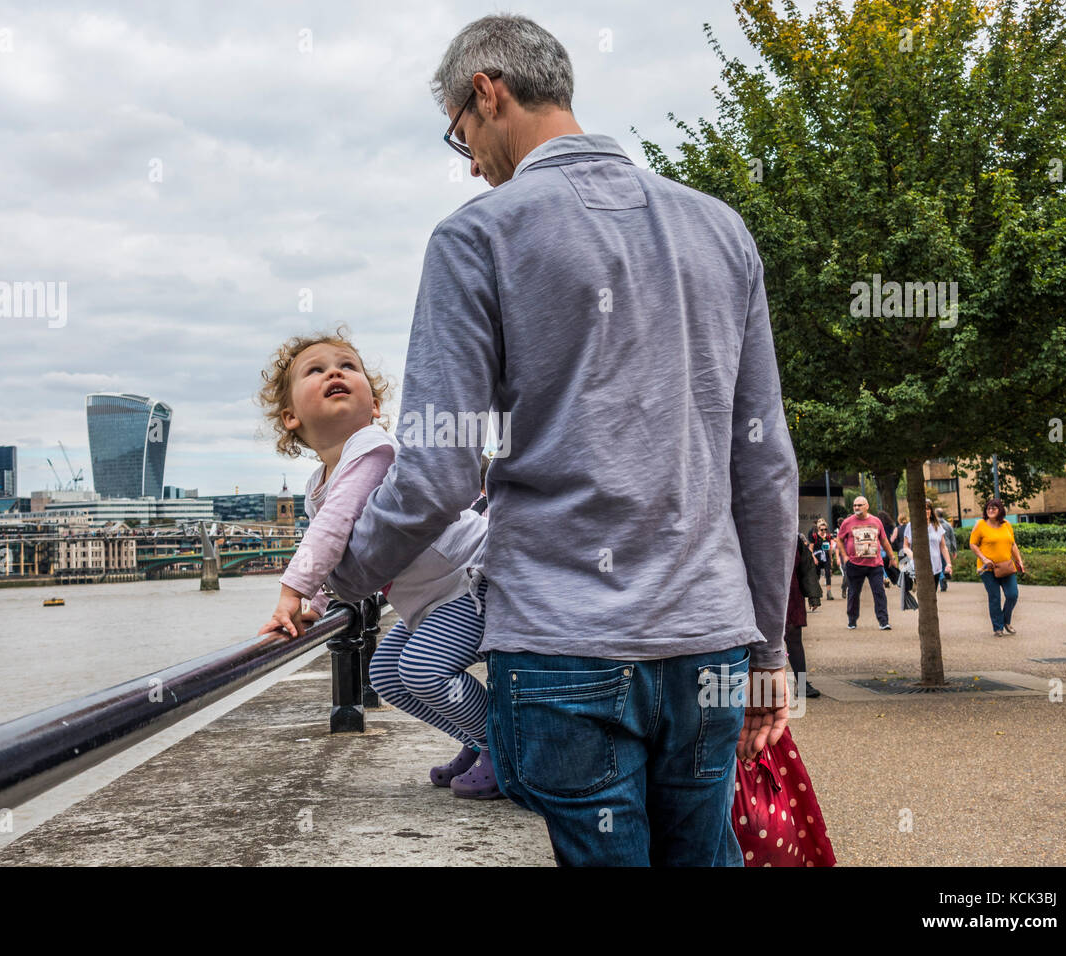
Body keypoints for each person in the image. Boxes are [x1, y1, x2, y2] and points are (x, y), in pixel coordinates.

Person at [326, 13, 798, 867]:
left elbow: (436, 472)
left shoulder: (478, 236)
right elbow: (763, 465)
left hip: (561, 639)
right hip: (707, 639)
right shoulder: (721, 230)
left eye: (460, 133)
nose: (469, 160)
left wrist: (339, 575)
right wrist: (766, 650)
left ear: (487, 92)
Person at [255, 330, 497, 798]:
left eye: (348, 366)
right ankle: (474, 735)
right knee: (386, 672)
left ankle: (502, 746)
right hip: (431, 597)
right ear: (290, 417)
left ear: (375, 407)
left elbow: (333, 527)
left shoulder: (371, 447)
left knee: (425, 669)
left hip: (469, 581)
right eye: (316, 369)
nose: (334, 372)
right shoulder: (316, 484)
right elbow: (337, 551)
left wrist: (293, 593)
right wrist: (317, 602)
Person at [836, 496, 898, 630]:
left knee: (879, 592)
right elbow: (839, 540)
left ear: (867, 506)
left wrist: (892, 557)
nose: (856, 508)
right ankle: (852, 620)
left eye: (859, 505)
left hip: (875, 565)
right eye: (854, 505)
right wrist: (845, 556)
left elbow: (884, 541)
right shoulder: (847, 522)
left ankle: (883, 621)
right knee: (853, 593)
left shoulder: (876, 521)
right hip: (855, 564)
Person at [969, 497, 1025, 636]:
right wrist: (984, 558)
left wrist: (1019, 560)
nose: (991, 510)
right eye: (988, 508)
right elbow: (973, 544)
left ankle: (1005, 621)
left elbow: (1012, 544)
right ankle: (998, 627)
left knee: (1012, 595)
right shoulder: (980, 524)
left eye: (994, 508)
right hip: (988, 568)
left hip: (1006, 566)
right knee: (994, 597)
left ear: (1000, 510)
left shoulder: (1006, 525)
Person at [787, 533, 822, 698]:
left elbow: (807, 568)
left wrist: (813, 595)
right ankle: (758, 686)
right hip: (759, 594)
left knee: (794, 636)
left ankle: (802, 684)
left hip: (790, 593)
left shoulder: (794, 538)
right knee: (760, 642)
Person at [904, 507, 952, 592]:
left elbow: (943, 547)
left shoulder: (937, 526)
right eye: (923, 508)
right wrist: (913, 557)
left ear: (931, 511)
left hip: (936, 567)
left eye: (928, 508)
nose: (925, 511)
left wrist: (948, 564)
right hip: (919, 567)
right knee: (924, 595)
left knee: (932, 596)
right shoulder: (911, 526)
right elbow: (905, 547)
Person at [808, 519, 837, 601]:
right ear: (818, 529)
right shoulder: (814, 536)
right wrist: (813, 558)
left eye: (825, 529)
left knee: (828, 574)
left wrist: (831, 559)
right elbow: (811, 549)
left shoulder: (828, 537)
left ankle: (829, 593)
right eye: (822, 529)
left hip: (826, 557)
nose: (824, 531)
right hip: (817, 558)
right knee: (817, 576)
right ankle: (815, 594)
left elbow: (830, 549)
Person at [934, 508, 958, 590]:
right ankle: (943, 581)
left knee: (938, 565)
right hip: (946, 548)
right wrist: (954, 550)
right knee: (945, 565)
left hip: (937, 547)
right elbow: (953, 538)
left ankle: (941, 577)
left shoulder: (934, 524)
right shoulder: (948, 525)